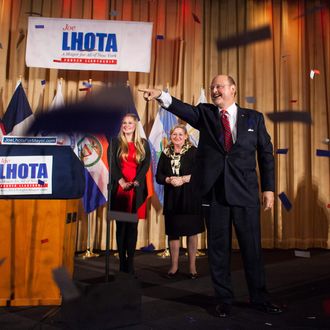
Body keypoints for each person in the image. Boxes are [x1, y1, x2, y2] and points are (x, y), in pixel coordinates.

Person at [139, 75, 282, 317]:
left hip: (245, 194)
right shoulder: (206, 113)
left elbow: (266, 154)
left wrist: (268, 188)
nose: (215, 90)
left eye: (220, 86)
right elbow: (184, 108)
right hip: (215, 195)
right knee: (218, 251)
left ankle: (260, 298)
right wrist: (161, 96)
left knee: (252, 250)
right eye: (213, 87)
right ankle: (224, 300)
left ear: (233, 89)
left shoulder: (254, 118)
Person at [156, 124, 204, 279]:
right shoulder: (165, 153)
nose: (177, 137)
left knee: (191, 233)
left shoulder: (194, 152)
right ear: (170, 137)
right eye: (174, 134)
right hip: (172, 199)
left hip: (190, 198)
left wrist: (183, 179)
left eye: (180, 134)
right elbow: (158, 176)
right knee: (173, 233)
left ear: (185, 136)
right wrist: (169, 179)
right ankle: (174, 267)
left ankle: (192, 268)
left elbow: (200, 174)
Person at [109, 113, 150, 275]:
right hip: (120, 190)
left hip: (136, 190)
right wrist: (121, 181)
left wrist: (136, 181)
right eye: (124, 123)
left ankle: (131, 262)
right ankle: (122, 262)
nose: (127, 125)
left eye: (130, 123)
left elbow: (146, 164)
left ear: (135, 125)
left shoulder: (143, 143)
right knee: (121, 228)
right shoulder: (115, 142)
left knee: (132, 228)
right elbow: (112, 163)